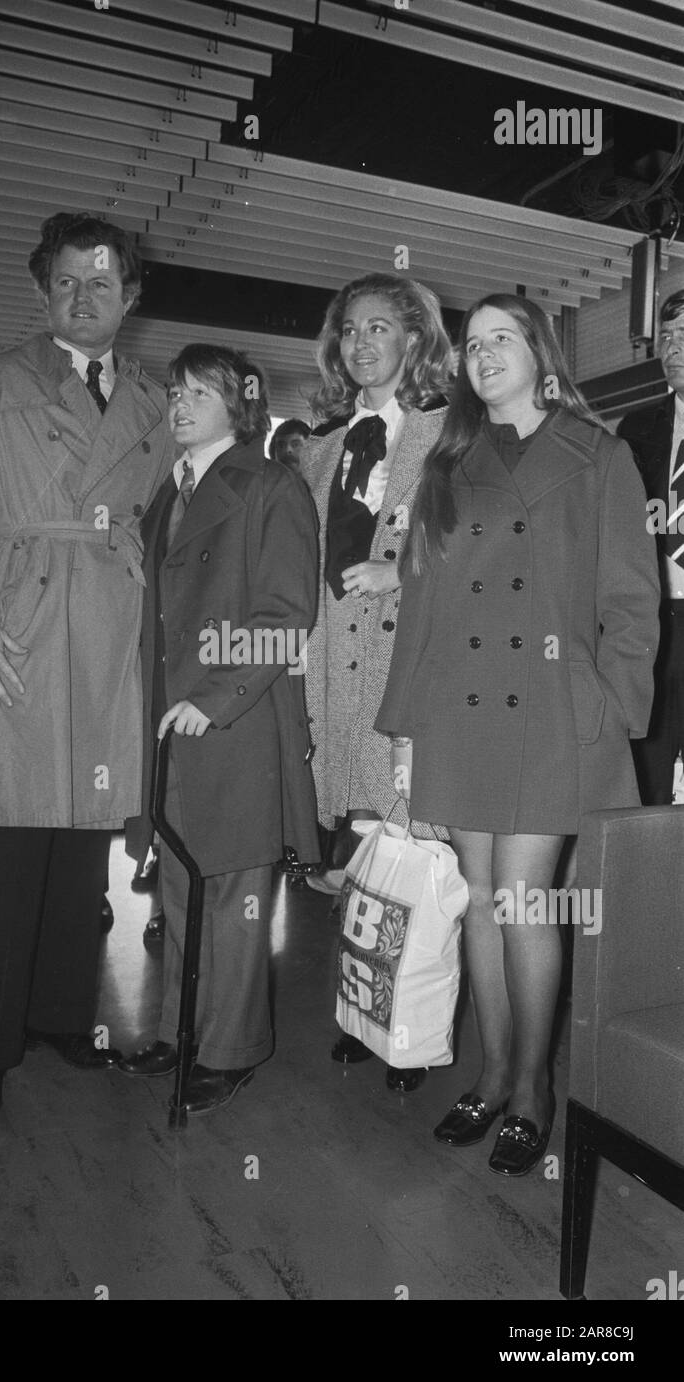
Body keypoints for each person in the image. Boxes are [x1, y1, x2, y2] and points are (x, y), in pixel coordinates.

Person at [376, 293, 659, 1175]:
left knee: (524, 901)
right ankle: (492, 1072)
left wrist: (611, 711)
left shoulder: (600, 454)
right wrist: (405, 729)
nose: (485, 352)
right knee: (478, 896)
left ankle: (536, 1087)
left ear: (540, 352)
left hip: (553, 709)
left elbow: (631, 602)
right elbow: (421, 604)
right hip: (460, 707)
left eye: (504, 337)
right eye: (473, 343)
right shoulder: (447, 463)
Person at [0, 212, 174, 1121]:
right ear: (43, 289)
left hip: (109, 630)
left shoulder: (152, 402)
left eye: (101, 284)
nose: (82, 297)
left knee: (84, 847)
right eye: (66, 282)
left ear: (130, 298)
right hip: (16, 631)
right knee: (14, 845)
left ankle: (68, 1019)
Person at [121, 345, 319, 1116]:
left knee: (235, 892)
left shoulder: (271, 485)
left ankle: (229, 1050)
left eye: (199, 392)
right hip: (171, 722)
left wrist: (215, 694)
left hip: (233, 719)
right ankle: (179, 1031)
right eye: (174, 391)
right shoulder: (166, 493)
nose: (180, 404)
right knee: (178, 884)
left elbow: (286, 615)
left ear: (238, 403)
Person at [300, 273, 453, 1092]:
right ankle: (364, 1010)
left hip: (408, 662)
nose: (363, 342)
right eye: (351, 329)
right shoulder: (321, 445)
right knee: (360, 849)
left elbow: (482, 542)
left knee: (416, 839)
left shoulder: (450, 433)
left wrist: (404, 571)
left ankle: (416, 1030)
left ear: (415, 342)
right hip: (335, 666)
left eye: (382, 328)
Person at [617, 287, 684, 805]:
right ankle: (650, 883)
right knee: (649, 767)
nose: (673, 348)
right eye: (665, 338)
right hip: (655, 621)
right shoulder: (637, 428)